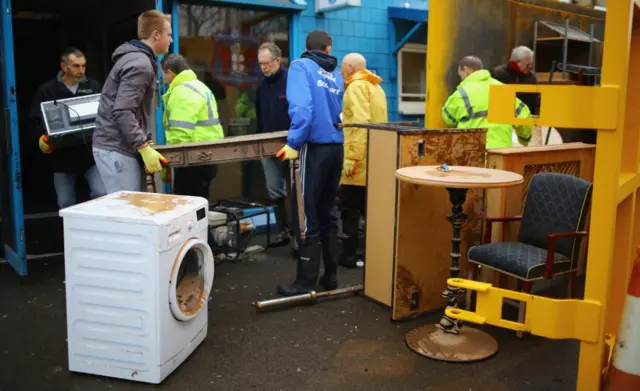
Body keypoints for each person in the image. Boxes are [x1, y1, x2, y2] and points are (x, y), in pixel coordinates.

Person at [275, 30, 344, 296]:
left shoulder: (300, 67)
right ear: (328, 49)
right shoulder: (335, 75)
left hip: (312, 148)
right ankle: (331, 276)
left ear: (308, 48)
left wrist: (293, 142)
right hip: (335, 147)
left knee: (305, 213)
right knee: (328, 212)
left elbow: (302, 109)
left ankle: (304, 283)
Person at [92, 10, 172, 193]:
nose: (171, 40)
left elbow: (134, 111)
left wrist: (146, 142)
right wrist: (143, 146)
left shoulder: (136, 59)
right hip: (116, 148)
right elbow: (122, 111)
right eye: (169, 35)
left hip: (117, 146)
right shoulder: (140, 64)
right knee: (127, 212)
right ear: (156, 35)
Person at [30, 48, 106, 209]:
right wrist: (40, 139)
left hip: (90, 154)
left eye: (84, 66)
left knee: (101, 195)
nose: (81, 71)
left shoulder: (94, 87)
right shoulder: (47, 90)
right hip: (62, 157)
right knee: (65, 202)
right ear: (64, 67)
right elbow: (36, 120)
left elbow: (107, 115)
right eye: (76, 66)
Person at [338, 53, 387, 268]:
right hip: (375, 157)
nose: (340, 72)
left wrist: (352, 157)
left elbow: (360, 123)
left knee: (349, 209)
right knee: (371, 210)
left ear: (349, 67)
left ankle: (348, 256)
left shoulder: (356, 87)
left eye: (342, 67)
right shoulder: (376, 88)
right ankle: (376, 255)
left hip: (358, 162)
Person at [160, 53, 224, 199]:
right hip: (209, 154)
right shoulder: (201, 87)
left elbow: (179, 132)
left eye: (163, 73)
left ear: (170, 72)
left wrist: (170, 162)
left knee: (186, 205)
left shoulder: (181, 91)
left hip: (192, 156)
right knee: (200, 202)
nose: (163, 79)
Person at [442, 56, 532, 150]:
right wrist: (524, 139)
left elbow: (448, 119)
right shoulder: (503, 89)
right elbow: (524, 117)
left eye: (460, 74)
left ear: (465, 70)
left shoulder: (461, 94)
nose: (461, 77)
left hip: (472, 154)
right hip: (500, 154)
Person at [255, 42, 291, 246]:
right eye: (260, 64)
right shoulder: (261, 86)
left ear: (277, 60)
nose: (263, 68)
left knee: (295, 190)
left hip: (291, 144)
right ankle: (283, 231)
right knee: (274, 190)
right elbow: (259, 116)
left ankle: (297, 233)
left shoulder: (291, 81)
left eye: (266, 64)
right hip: (267, 144)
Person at [491, 46, 540, 116]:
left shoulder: (531, 77)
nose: (530, 67)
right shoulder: (498, 74)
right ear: (517, 62)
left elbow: (535, 99)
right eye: (528, 65)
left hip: (525, 118)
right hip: (502, 116)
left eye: (531, 64)